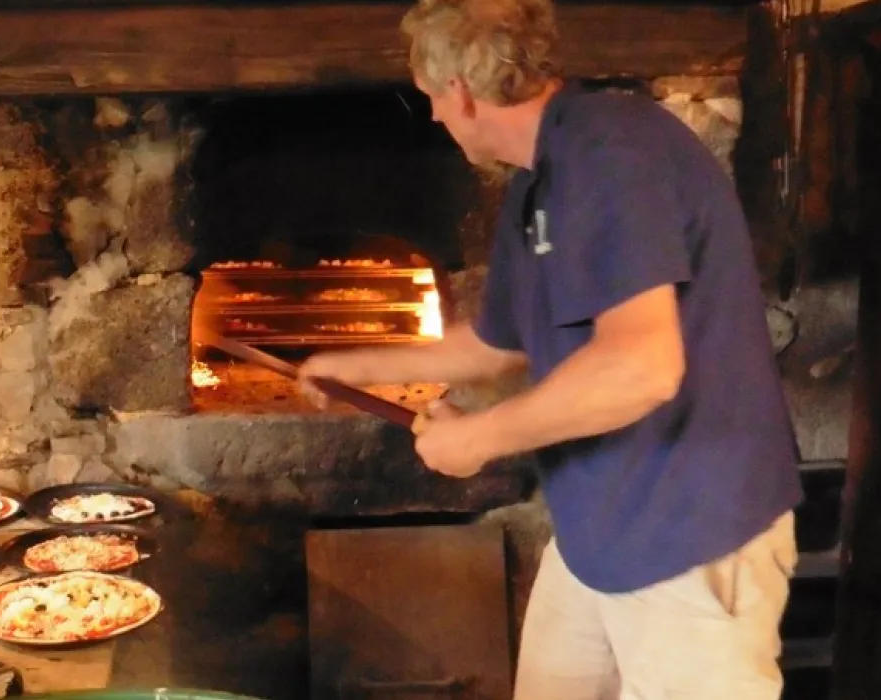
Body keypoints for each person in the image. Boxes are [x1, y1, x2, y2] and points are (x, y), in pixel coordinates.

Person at [296, 0, 805, 697]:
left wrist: (480, 437)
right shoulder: (539, 183)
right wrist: (352, 366)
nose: (438, 120)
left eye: (432, 102)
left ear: (462, 93)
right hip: (600, 525)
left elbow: (640, 368)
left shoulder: (614, 152)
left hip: (689, 530)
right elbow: (492, 344)